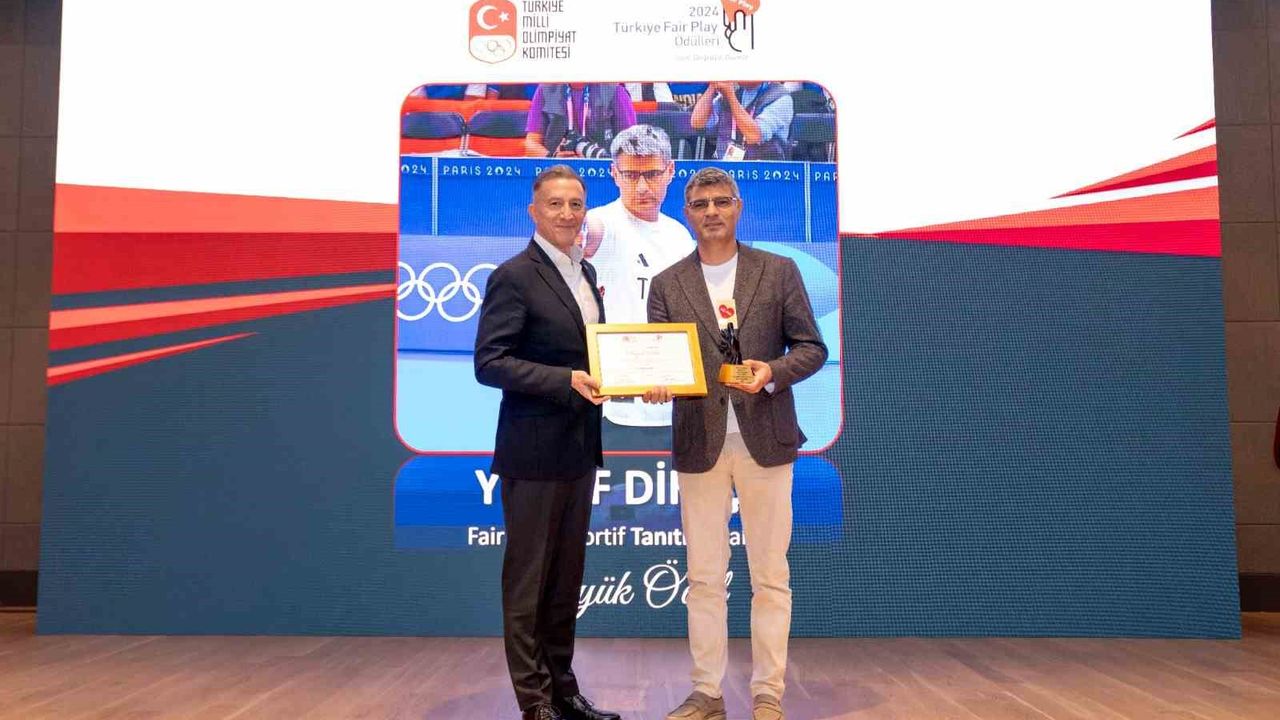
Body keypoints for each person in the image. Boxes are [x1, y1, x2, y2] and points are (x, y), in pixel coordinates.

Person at [643, 167, 827, 720]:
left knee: (771, 576)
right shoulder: (667, 284)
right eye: (701, 204)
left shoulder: (778, 270)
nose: (712, 212)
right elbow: (658, 360)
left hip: (765, 439)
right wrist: (655, 383)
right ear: (687, 213)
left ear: (739, 207)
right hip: (699, 442)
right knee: (703, 577)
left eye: (721, 202)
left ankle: (769, 692)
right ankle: (707, 692)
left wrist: (771, 371)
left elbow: (811, 348)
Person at [474, 166, 621, 720]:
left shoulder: (585, 272)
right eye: (555, 203)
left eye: (575, 203)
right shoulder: (514, 275)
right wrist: (565, 381)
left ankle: (563, 690)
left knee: (564, 581)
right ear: (533, 212)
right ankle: (534, 700)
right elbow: (490, 363)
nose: (566, 213)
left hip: (578, 449)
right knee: (529, 582)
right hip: (532, 452)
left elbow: (594, 356)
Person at [582, 124, 695, 445]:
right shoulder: (603, 223)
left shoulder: (679, 236)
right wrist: (575, 232)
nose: (643, 186)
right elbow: (586, 232)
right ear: (614, 174)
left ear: (670, 171)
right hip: (611, 405)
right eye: (631, 175)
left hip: (671, 398)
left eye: (653, 174)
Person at [524, 83, 636, 158]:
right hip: (556, 173)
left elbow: (630, 146)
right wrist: (553, 157)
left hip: (603, 169)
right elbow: (531, 144)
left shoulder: (615, 91)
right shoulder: (545, 89)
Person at [689, 82, 794, 161]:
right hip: (726, 172)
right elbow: (697, 122)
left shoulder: (781, 97)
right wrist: (713, 86)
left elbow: (754, 136)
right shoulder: (733, 92)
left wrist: (731, 97)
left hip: (764, 173)